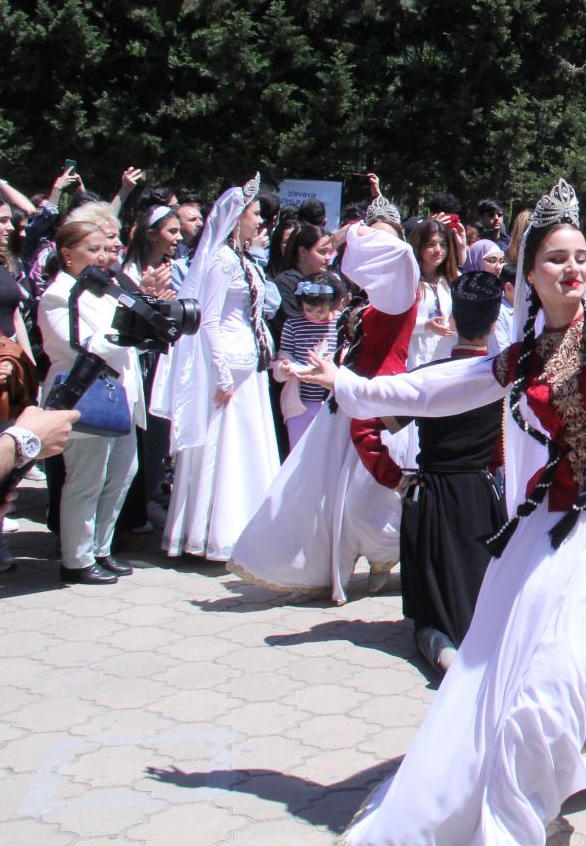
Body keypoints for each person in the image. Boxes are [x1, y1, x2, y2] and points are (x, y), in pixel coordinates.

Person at [300, 142, 586, 844]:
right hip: (551, 524)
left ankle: (530, 797)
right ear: (527, 275)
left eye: (582, 255)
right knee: (512, 669)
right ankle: (524, 808)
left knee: (557, 678)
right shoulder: (522, 355)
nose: (575, 268)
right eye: (557, 258)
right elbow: (437, 387)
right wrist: (349, 386)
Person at [227, 201, 419, 604]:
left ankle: (387, 557)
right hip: (346, 395)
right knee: (323, 491)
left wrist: (350, 232)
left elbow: (398, 253)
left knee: (368, 498)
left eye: (382, 237)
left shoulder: (402, 283)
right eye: (372, 235)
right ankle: (333, 564)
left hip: (377, 401)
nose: (374, 244)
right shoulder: (370, 294)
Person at [152, 177, 280, 562]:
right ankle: (208, 533)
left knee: (244, 450)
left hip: (248, 367)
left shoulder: (242, 259)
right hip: (226, 369)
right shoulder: (222, 261)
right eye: (255, 214)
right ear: (236, 217)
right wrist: (222, 374)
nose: (260, 222)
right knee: (219, 451)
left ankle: (243, 529)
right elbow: (207, 320)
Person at [402, 270, 509, 675]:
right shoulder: (501, 376)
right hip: (483, 500)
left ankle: (446, 654)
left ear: (453, 315)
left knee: (434, 612)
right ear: (495, 319)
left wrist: (394, 477)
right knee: (483, 601)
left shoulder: (428, 377)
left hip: (433, 500)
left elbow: (367, 428)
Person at [39, 219, 146, 583]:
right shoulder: (58, 294)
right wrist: (126, 331)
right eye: (93, 249)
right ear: (67, 254)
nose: (103, 257)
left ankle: (101, 548)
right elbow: (80, 346)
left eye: (105, 249)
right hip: (85, 397)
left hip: (120, 396)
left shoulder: (102, 291)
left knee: (121, 474)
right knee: (87, 479)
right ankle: (77, 559)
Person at [270, 274, 343, 451]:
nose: (314, 315)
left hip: (331, 403)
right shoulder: (293, 325)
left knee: (328, 454)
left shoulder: (340, 323)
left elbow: (347, 357)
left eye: (320, 311)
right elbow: (283, 358)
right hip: (299, 403)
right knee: (298, 452)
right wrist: (284, 369)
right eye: (308, 310)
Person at [407, 217, 459, 369]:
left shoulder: (455, 280)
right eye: (431, 244)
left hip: (447, 364)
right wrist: (425, 325)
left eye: (443, 245)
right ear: (419, 247)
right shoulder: (408, 281)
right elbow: (397, 321)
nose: (438, 250)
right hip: (415, 363)